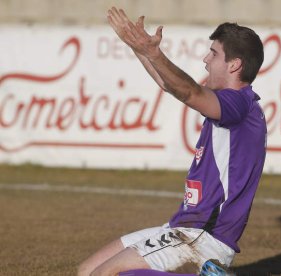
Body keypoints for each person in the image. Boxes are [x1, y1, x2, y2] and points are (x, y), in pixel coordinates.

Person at [78, 6, 266, 276]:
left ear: (234, 64)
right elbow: (171, 86)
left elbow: (188, 91)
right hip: (183, 228)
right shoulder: (233, 104)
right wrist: (138, 47)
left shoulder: (239, 104)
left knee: (104, 275)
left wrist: (153, 52)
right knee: (87, 270)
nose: (205, 59)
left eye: (213, 54)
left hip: (203, 237)